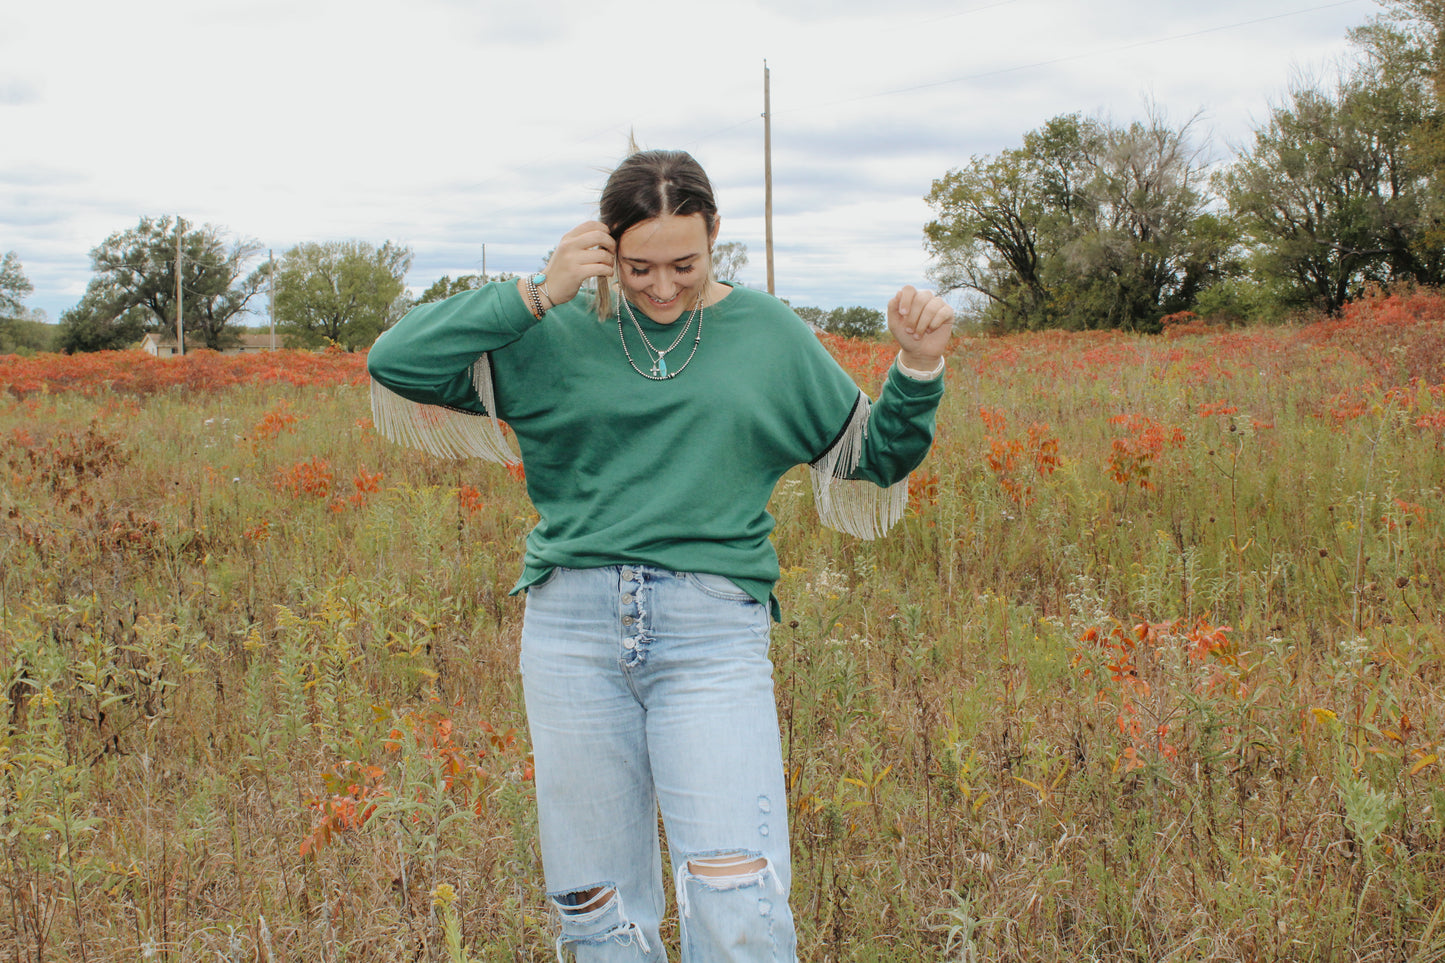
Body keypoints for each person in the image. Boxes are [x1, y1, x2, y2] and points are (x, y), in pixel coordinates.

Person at [366, 148, 952, 961]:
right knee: (596, 907)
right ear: (603, 246)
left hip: (711, 633)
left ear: (715, 236)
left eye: (685, 262)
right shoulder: (550, 329)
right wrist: (537, 293)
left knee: (734, 893)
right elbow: (394, 362)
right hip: (569, 631)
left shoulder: (766, 334)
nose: (664, 286)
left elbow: (873, 457)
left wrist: (917, 366)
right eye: (639, 266)